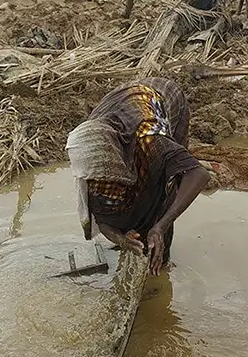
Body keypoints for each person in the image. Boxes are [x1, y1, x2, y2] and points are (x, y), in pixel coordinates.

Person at [66, 77, 210, 276]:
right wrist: (122, 239)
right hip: (120, 106)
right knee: (123, 197)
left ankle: (160, 255)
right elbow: (103, 219)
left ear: (116, 162)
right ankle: (142, 236)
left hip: (164, 99)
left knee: (164, 184)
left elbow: (198, 174)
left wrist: (161, 226)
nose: (101, 185)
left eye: (107, 179)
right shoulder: (89, 155)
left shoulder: (150, 139)